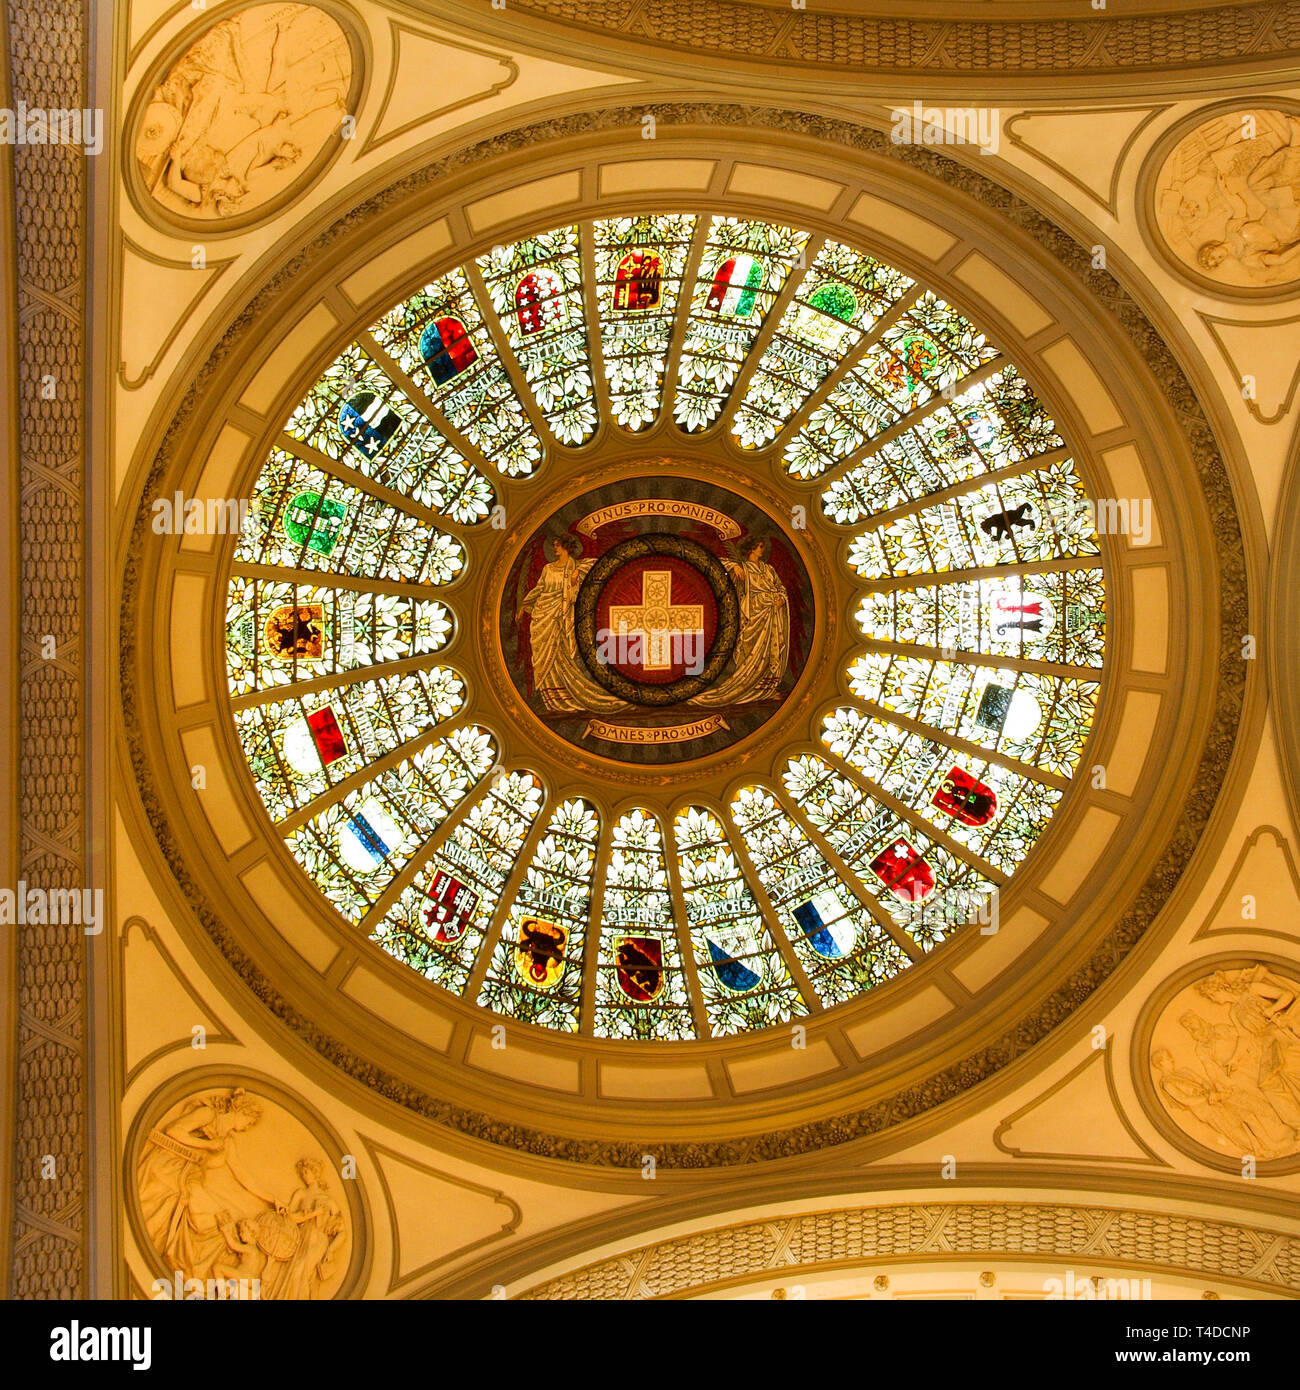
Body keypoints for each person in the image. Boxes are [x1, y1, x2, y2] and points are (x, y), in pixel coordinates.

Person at [692, 538, 789, 707]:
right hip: (753, 615)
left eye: (762, 547)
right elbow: (717, 563)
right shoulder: (743, 568)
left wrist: (781, 597)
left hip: (771, 614)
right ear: (751, 549)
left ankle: (766, 690)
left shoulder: (768, 569)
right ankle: (747, 688)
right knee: (752, 651)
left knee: (771, 653)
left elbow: (780, 587)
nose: (762, 550)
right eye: (760, 546)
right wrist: (734, 566)